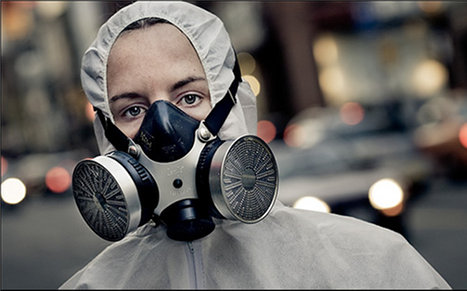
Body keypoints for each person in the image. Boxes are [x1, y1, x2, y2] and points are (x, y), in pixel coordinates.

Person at [60, 1, 451, 289]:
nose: (163, 128)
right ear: (106, 133)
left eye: (190, 98)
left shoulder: (373, 265)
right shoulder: (97, 285)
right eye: (133, 109)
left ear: (235, 106)